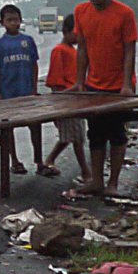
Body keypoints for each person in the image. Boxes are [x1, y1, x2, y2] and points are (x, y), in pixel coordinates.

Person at [68, 0, 138, 198]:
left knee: (117, 133)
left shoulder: (124, 13)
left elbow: (129, 50)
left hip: (119, 85)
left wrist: (126, 85)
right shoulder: (81, 11)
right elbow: (83, 48)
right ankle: (96, 180)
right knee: (95, 134)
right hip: (94, 84)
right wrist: (79, 82)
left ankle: (113, 183)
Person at [0, 4, 43, 175]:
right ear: (2, 22)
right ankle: (14, 160)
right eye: (9, 20)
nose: (13, 23)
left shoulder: (28, 41)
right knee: (8, 129)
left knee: (35, 127)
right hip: (8, 94)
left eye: (16, 19)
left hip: (27, 93)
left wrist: (34, 88)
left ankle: (39, 162)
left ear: (21, 20)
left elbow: (34, 65)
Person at [44, 13, 91, 183]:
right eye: (76, 33)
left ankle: (49, 160)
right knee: (76, 137)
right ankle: (86, 171)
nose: (79, 37)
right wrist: (60, 101)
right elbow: (55, 81)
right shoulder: (59, 51)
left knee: (72, 135)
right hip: (66, 100)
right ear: (65, 31)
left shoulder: (73, 51)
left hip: (76, 100)